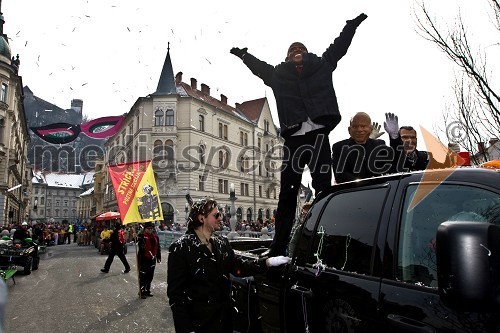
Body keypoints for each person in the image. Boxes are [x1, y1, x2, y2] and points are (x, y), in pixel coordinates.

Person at [230, 13, 368, 257]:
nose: (296, 52)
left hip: (318, 138)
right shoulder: (278, 75)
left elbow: (339, 47)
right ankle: (279, 246)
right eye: (292, 50)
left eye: (300, 49)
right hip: (293, 140)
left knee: (324, 189)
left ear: (306, 53)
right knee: (287, 194)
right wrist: (244, 56)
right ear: (286, 57)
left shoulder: (322, 65)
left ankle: (326, 242)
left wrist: (350, 26)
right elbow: (260, 68)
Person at [167, 198, 291, 332]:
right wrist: (185, 329)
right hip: (199, 325)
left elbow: (239, 267)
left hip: (224, 322)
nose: (221, 218)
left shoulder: (222, 243)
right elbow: (176, 296)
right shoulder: (180, 248)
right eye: (216, 215)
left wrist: (268, 262)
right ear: (201, 218)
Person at [332, 112, 392, 183]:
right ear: (349, 130)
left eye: (363, 126)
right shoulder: (339, 147)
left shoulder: (379, 145)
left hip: (378, 190)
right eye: (355, 127)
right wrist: (364, 183)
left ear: (371, 129)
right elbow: (340, 175)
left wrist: (394, 137)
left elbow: (393, 166)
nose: (359, 130)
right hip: (353, 191)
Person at [383, 113, 454, 172]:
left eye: (413, 137)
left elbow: (443, 170)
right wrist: (394, 137)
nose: (410, 140)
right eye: (405, 137)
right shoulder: (390, 158)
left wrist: (451, 157)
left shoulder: (426, 157)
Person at [136, 222, 161, 298]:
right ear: (145, 229)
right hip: (144, 259)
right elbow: (137, 241)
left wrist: (158, 257)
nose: (150, 230)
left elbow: (158, 248)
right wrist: (135, 237)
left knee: (150, 275)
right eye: (148, 228)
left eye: (151, 228)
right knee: (143, 275)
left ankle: (147, 290)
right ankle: (141, 291)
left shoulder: (156, 237)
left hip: (152, 259)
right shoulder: (141, 236)